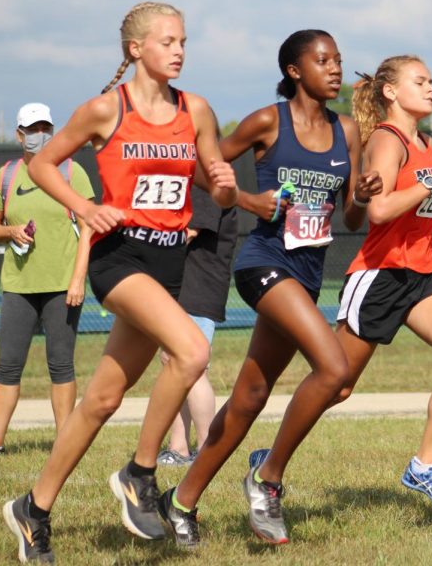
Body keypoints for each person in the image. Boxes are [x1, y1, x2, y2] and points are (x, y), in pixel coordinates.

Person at [1, 2, 238, 563]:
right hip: (118, 259)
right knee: (191, 350)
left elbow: (214, 185)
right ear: (136, 49)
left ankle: (32, 509)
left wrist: (226, 187)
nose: (178, 50)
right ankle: (140, 472)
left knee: (101, 400)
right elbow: (41, 165)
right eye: (167, 41)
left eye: (183, 41)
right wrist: (85, 207)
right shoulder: (107, 109)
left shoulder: (196, 110)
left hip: (167, 263)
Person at [157, 29, 381, 547]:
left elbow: (348, 218)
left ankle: (181, 500)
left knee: (249, 398)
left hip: (306, 275)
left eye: (339, 60)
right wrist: (247, 199)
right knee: (334, 369)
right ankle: (267, 478)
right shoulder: (266, 121)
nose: (335, 69)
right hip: (262, 263)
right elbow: (204, 168)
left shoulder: (347, 131)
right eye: (322, 60)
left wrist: (363, 195)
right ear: (294, 71)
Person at [332, 55, 432, 510]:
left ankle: (423, 466)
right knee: (335, 385)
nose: (431, 88)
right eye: (421, 81)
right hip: (379, 275)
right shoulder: (386, 138)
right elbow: (376, 211)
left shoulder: (425, 141)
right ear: (392, 92)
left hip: (420, 273)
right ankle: (272, 457)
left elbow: (410, 202)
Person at [0, 102, 93, 459]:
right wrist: (10, 231)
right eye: (32, 129)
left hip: (62, 286)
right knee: (9, 364)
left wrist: (77, 280)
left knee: (61, 364)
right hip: (19, 287)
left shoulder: (72, 172)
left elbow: (89, 226)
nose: (39, 135)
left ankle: (65, 443)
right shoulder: (6, 176)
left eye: (45, 128)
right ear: (19, 135)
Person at [157, 185, 238, 467]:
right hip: (185, 286)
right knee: (175, 364)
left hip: (199, 287)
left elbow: (186, 232)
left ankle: (207, 450)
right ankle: (178, 448)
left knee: (191, 366)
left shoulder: (206, 181)